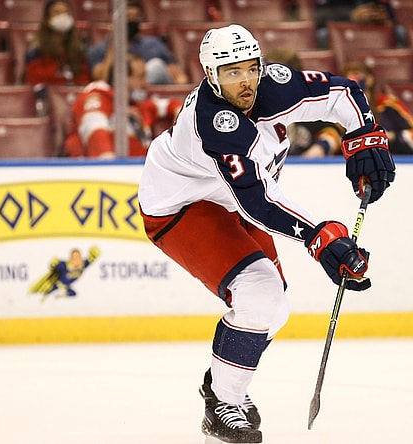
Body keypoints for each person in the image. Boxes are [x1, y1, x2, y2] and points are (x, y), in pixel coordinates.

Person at [137, 24, 395, 443]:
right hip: (183, 206)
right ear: (210, 75)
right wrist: (321, 237)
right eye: (232, 72)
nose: (245, 81)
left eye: (250, 68)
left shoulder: (270, 83)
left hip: (229, 197)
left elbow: (345, 94)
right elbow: (257, 199)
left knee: (272, 310)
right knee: (260, 295)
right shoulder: (215, 124)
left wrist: (364, 137)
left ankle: (223, 384)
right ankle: (223, 403)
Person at [63, 54, 183, 158]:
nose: (146, 82)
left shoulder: (140, 106)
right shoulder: (99, 94)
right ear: (122, 78)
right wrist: (113, 167)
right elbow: (95, 131)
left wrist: (179, 124)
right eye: (140, 77)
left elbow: (173, 105)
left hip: (142, 173)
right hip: (105, 174)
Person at [86, 0, 188, 85]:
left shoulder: (154, 44)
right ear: (113, 19)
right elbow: (102, 82)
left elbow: (180, 77)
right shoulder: (98, 51)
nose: (132, 21)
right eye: (128, 17)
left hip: (153, 97)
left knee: (155, 66)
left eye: (136, 17)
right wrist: (114, 42)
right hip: (118, 98)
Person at [340, 60, 413, 154]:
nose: (353, 81)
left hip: (391, 160)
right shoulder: (338, 109)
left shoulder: (387, 104)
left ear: (370, 79)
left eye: (356, 75)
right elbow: (332, 136)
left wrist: (389, 136)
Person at [24, 0, 90, 87]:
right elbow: (34, 84)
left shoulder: (80, 51)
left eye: (66, 12)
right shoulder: (35, 53)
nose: (62, 17)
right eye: (57, 12)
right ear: (47, 19)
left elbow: (84, 82)